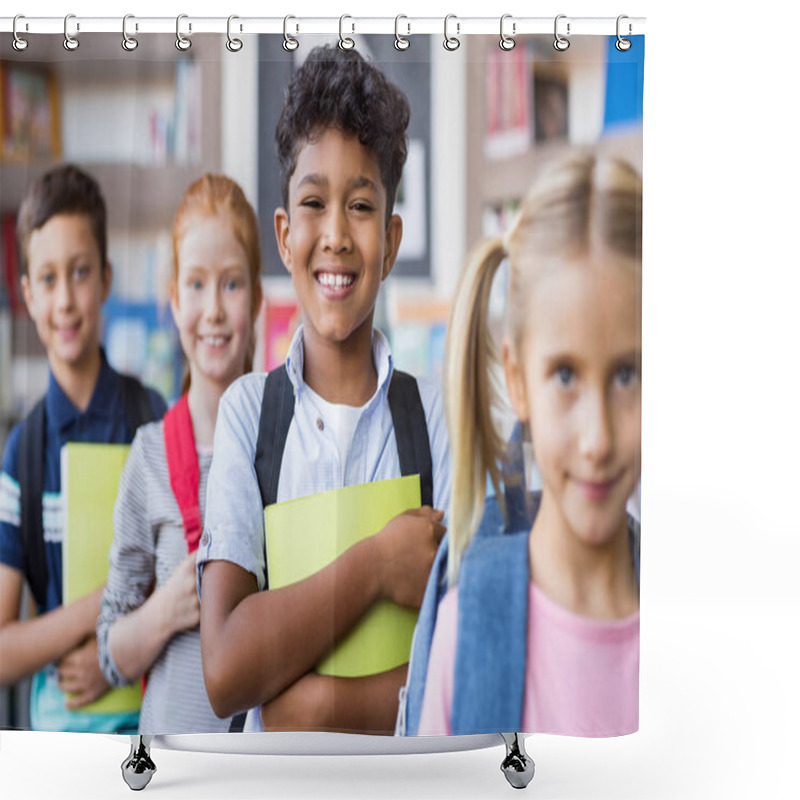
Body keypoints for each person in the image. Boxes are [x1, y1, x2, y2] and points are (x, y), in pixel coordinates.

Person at [197, 45, 450, 735]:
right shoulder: (250, 415)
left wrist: (311, 705)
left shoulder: (436, 422)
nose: (336, 235)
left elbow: (457, 668)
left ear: (392, 242)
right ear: (284, 235)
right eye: (313, 202)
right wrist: (375, 566)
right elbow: (225, 671)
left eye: (362, 205)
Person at [417, 152, 642, 736]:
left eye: (627, 375)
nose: (598, 440)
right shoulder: (464, 637)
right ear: (516, 380)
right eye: (565, 376)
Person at [0, 164, 166, 732]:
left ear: (106, 279)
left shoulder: (154, 421)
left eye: (79, 273)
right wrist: (98, 612)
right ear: (26, 293)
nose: (66, 299)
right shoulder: (22, 452)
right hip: (58, 742)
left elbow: (187, 592)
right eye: (48, 279)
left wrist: (115, 656)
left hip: (151, 728)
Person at [96, 175, 263, 734]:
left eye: (231, 285)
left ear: (258, 298)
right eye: (195, 285)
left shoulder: (286, 443)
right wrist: (166, 608)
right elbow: (112, 654)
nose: (213, 310)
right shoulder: (148, 458)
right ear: (173, 300)